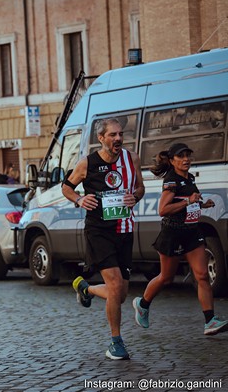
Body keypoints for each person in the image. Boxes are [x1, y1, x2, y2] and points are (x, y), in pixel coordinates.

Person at [62, 117, 144, 360]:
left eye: (120, 134)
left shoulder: (132, 159)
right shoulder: (87, 164)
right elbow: (66, 187)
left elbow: (140, 188)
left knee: (120, 294)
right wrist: (78, 199)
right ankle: (116, 343)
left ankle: (86, 288)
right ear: (101, 138)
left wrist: (135, 197)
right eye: (112, 135)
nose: (118, 139)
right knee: (115, 285)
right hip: (99, 231)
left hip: (124, 230)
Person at [133, 143, 228, 335]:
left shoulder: (190, 177)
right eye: (181, 156)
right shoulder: (171, 181)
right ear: (172, 160)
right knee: (166, 277)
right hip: (173, 233)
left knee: (202, 275)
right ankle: (142, 304)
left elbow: (189, 203)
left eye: (188, 155)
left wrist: (202, 204)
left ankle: (210, 320)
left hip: (192, 232)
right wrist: (188, 201)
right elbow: (163, 210)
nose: (186, 159)